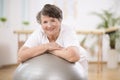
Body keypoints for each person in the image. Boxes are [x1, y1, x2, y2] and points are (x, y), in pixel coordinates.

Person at [18, 4, 88, 73]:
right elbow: (21, 56)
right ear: (41, 24)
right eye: (45, 22)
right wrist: (46, 46)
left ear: (60, 21)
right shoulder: (39, 32)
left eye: (53, 20)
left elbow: (73, 56)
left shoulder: (67, 31)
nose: (49, 25)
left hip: (77, 68)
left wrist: (48, 50)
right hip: (57, 69)